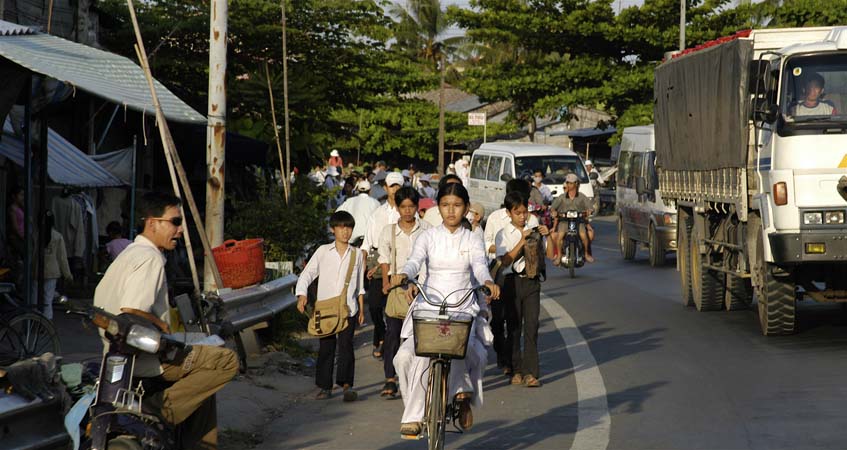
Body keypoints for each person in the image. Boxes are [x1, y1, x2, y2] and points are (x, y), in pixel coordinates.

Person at [93, 192, 238, 449]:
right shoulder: (149, 259)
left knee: (202, 389)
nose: (180, 229)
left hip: (120, 358)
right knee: (225, 361)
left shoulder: (129, 254)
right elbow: (132, 312)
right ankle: (156, 411)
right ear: (152, 223)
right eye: (175, 221)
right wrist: (161, 327)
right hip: (144, 360)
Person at [393, 183, 500, 438]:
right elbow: (415, 260)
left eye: (457, 205)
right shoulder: (428, 236)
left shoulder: (472, 238)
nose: (451, 211)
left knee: (469, 351)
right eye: (445, 205)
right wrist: (405, 275)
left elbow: (479, 265)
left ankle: (462, 396)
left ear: (465, 208)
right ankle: (414, 417)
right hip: (429, 304)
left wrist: (487, 282)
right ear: (438, 207)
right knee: (412, 356)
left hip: (461, 305)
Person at [296, 210, 366, 401]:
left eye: (348, 227)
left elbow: (359, 285)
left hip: (348, 308)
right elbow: (308, 273)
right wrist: (301, 294)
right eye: (341, 227)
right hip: (325, 309)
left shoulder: (358, 254)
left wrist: (360, 308)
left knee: (346, 346)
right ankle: (324, 386)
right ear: (333, 229)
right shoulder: (322, 251)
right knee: (326, 347)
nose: (345, 232)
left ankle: (346, 385)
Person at [377, 187, 430, 399]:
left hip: (423, 288)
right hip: (397, 288)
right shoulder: (388, 231)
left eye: (411, 206)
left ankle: (417, 377)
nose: (407, 211)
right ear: (397, 208)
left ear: (417, 207)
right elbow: (384, 259)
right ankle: (390, 379)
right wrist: (386, 282)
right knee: (392, 334)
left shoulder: (427, 229)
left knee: (418, 335)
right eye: (403, 207)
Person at [495, 192, 550, 388]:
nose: (522, 216)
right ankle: (516, 369)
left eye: (524, 212)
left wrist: (547, 236)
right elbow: (505, 261)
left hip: (531, 281)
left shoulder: (534, 229)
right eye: (517, 212)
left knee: (532, 326)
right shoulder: (503, 233)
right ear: (509, 213)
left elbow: (550, 255)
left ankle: (531, 372)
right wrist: (522, 240)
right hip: (511, 282)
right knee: (514, 327)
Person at [483, 180, 538, 371]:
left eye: (525, 206)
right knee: (499, 319)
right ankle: (503, 354)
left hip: (525, 277)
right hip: (499, 270)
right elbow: (488, 244)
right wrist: (506, 247)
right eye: (517, 208)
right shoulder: (495, 219)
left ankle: (516, 364)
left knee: (521, 324)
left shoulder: (532, 220)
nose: (522, 214)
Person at [362, 171, 405, 359]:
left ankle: (388, 343)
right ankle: (380, 335)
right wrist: (363, 264)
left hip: (400, 262)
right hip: (378, 260)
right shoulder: (377, 213)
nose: (395, 190)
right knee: (374, 306)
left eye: (398, 186)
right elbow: (367, 242)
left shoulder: (407, 213)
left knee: (395, 310)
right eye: (392, 186)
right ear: (386, 188)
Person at [35, 211, 72, 320]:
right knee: (47, 300)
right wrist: (68, 275)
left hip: (35, 271)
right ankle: (46, 324)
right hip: (51, 272)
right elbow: (62, 258)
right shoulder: (57, 236)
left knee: (33, 299)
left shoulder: (34, 234)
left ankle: (32, 321)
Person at [551, 173, 595, 263]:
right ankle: (559, 255)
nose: (569, 185)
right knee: (560, 236)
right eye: (568, 183)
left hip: (579, 221)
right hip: (564, 221)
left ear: (576, 184)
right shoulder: (562, 197)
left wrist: (589, 211)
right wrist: (554, 212)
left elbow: (590, 207)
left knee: (583, 235)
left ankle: (586, 254)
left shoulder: (582, 196)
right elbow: (553, 207)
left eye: (572, 183)